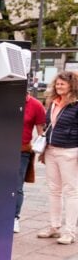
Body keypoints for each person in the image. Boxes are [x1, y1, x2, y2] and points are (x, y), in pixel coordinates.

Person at [38, 71, 78, 245]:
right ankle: (54, 227)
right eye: (57, 83)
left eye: (62, 84)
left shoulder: (76, 104)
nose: (58, 86)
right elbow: (49, 126)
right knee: (54, 190)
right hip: (52, 150)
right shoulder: (53, 102)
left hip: (69, 151)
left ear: (72, 85)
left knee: (71, 192)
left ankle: (70, 231)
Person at [16, 87, 47, 233]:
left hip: (22, 150)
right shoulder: (2, 99)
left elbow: (41, 132)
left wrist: (43, 150)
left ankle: (15, 218)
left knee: (16, 186)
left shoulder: (36, 105)